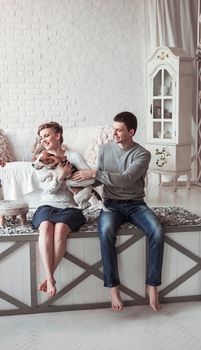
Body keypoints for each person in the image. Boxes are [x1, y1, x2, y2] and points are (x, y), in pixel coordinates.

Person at [72, 111, 164, 312]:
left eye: (118, 130)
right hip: (111, 204)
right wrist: (80, 181)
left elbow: (125, 179)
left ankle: (153, 285)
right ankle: (113, 288)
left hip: (136, 203)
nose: (113, 133)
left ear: (131, 131)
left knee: (157, 231)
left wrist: (95, 173)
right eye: (113, 128)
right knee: (105, 233)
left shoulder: (142, 154)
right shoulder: (105, 149)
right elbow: (100, 179)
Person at [32, 122, 89, 298]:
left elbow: (87, 175)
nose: (44, 140)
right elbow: (47, 189)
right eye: (42, 137)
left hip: (69, 206)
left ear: (57, 135)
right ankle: (50, 278)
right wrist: (61, 177)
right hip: (47, 203)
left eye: (47, 135)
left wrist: (75, 179)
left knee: (60, 231)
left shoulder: (73, 156)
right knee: (45, 228)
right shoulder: (40, 160)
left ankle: (48, 278)